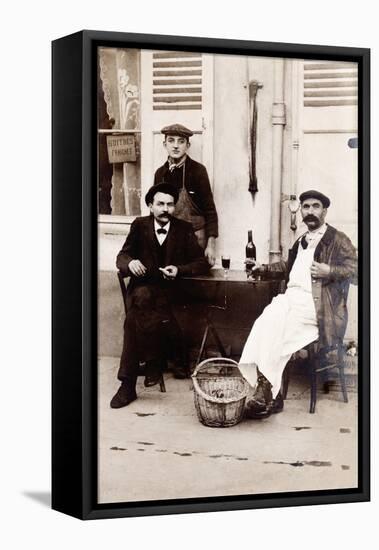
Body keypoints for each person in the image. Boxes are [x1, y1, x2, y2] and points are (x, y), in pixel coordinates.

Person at [238, 190, 358, 419]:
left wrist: (330, 271)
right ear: (301, 210)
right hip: (291, 300)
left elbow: (360, 271)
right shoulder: (301, 240)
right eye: (306, 207)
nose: (310, 211)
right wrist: (261, 268)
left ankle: (270, 396)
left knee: (277, 332)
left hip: (319, 309)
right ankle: (270, 393)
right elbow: (287, 267)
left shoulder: (337, 239)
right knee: (266, 320)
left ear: (324, 211)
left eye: (315, 206)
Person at [110, 182, 210, 408]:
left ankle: (130, 384)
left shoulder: (183, 229)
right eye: (160, 204)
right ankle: (152, 362)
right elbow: (122, 257)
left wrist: (179, 270)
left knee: (133, 319)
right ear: (150, 206)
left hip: (171, 296)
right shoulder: (139, 225)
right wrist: (131, 262)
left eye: (170, 204)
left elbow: (200, 262)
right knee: (142, 301)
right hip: (143, 291)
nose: (166, 209)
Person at [154, 123, 218, 266]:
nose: (175, 146)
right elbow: (155, 212)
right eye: (171, 141)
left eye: (181, 141)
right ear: (164, 144)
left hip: (195, 238)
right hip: (170, 239)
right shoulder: (160, 173)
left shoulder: (198, 171)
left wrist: (211, 244)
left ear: (187, 145)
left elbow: (210, 209)